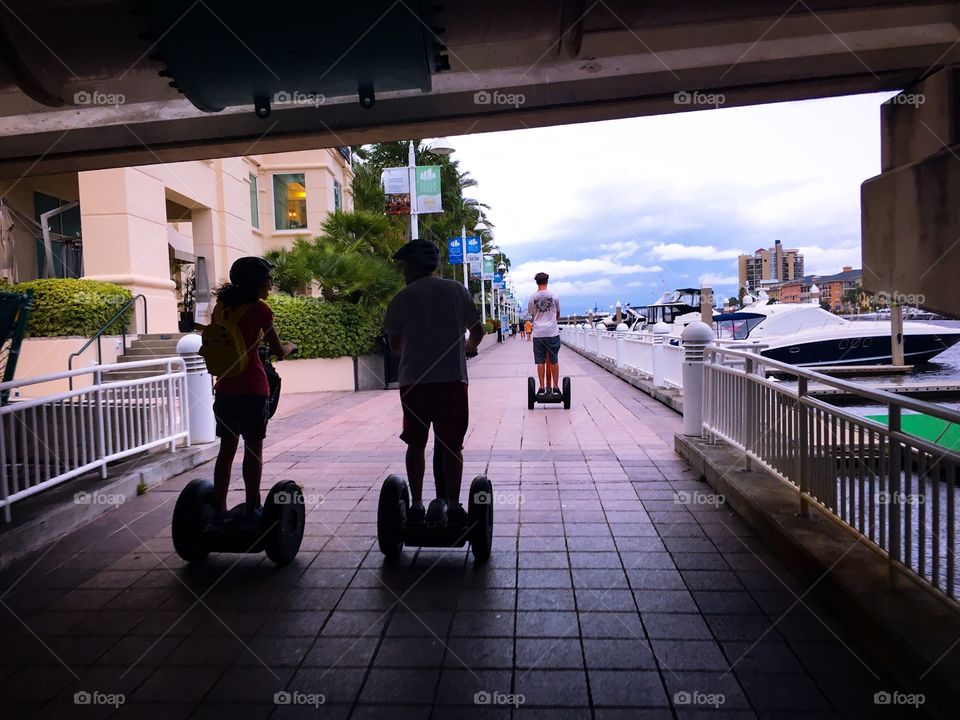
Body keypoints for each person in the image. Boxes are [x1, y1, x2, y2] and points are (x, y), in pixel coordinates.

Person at [384, 239, 484, 527]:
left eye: (404, 266)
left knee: (415, 443)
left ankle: (415, 505)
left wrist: (418, 351)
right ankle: (453, 506)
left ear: (413, 267)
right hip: (451, 380)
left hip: (414, 383)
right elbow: (476, 331)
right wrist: (468, 348)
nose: (403, 272)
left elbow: (394, 344)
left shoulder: (402, 298)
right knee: (451, 445)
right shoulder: (456, 291)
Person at [211, 257, 295, 524]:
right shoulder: (260, 310)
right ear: (256, 282)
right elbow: (278, 349)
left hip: (224, 388)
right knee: (253, 449)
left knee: (226, 451)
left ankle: (220, 509)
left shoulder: (220, 308)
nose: (271, 283)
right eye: (268, 278)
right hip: (253, 389)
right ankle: (250, 508)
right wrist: (290, 348)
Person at [527, 272, 561, 396]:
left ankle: (541, 387)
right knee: (554, 360)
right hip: (552, 332)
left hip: (538, 334)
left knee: (540, 360)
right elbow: (557, 314)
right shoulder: (554, 296)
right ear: (547, 281)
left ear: (537, 282)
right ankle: (555, 387)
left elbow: (532, 314)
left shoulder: (532, 297)